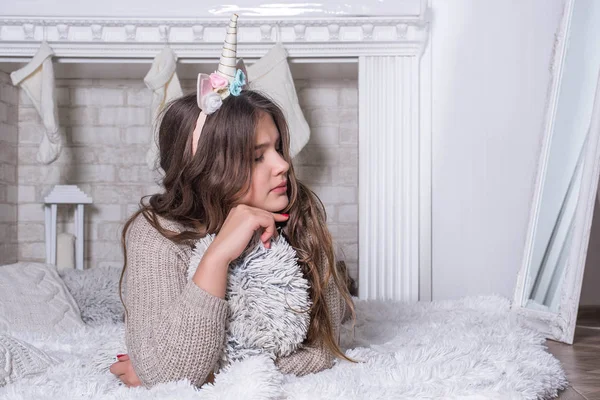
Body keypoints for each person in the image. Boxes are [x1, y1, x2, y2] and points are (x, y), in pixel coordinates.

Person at [108, 16, 354, 388]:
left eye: (278, 149)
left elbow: (324, 349)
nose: (283, 165)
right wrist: (218, 255)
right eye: (258, 157)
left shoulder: (301, 213)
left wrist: (213, 369)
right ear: (209, 170)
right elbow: (171, 377)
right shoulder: (157, 234)